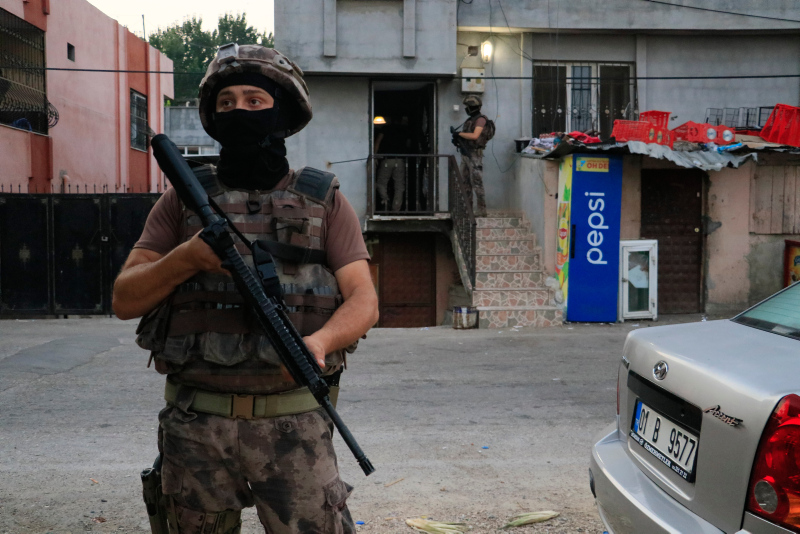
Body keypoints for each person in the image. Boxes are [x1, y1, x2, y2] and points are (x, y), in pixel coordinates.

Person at [112, 43, 379, 534]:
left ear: (282, 113)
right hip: (196, 426)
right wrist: (186, 258)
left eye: (255, 101)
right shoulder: (180, 200)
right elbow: (125, 299)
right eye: (227, 102)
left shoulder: (324, 201)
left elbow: (364, 300)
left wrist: (319, 342)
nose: (239, 111)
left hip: (295, 425)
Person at [455, 95, 489, 217]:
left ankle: (481, 210)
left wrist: (460, 134)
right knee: (465, 184)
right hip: (465, 154)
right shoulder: (470, 120)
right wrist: (457, 139)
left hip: (474, 155)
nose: (466, 109)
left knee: (477, 183)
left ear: (472, 107)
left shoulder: (480, 120)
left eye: (467, 107)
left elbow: (475, 136)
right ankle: (467, 210)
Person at [373, 116, 411, 212]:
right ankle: (396, 209)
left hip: (387, 160)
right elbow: (408, 144)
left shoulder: (385, 128)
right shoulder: (405, 130)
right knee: (399, 186)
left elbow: (377, 142)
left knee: (381, 183)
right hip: (400, 160)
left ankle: (385, 200)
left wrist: (375, 156)